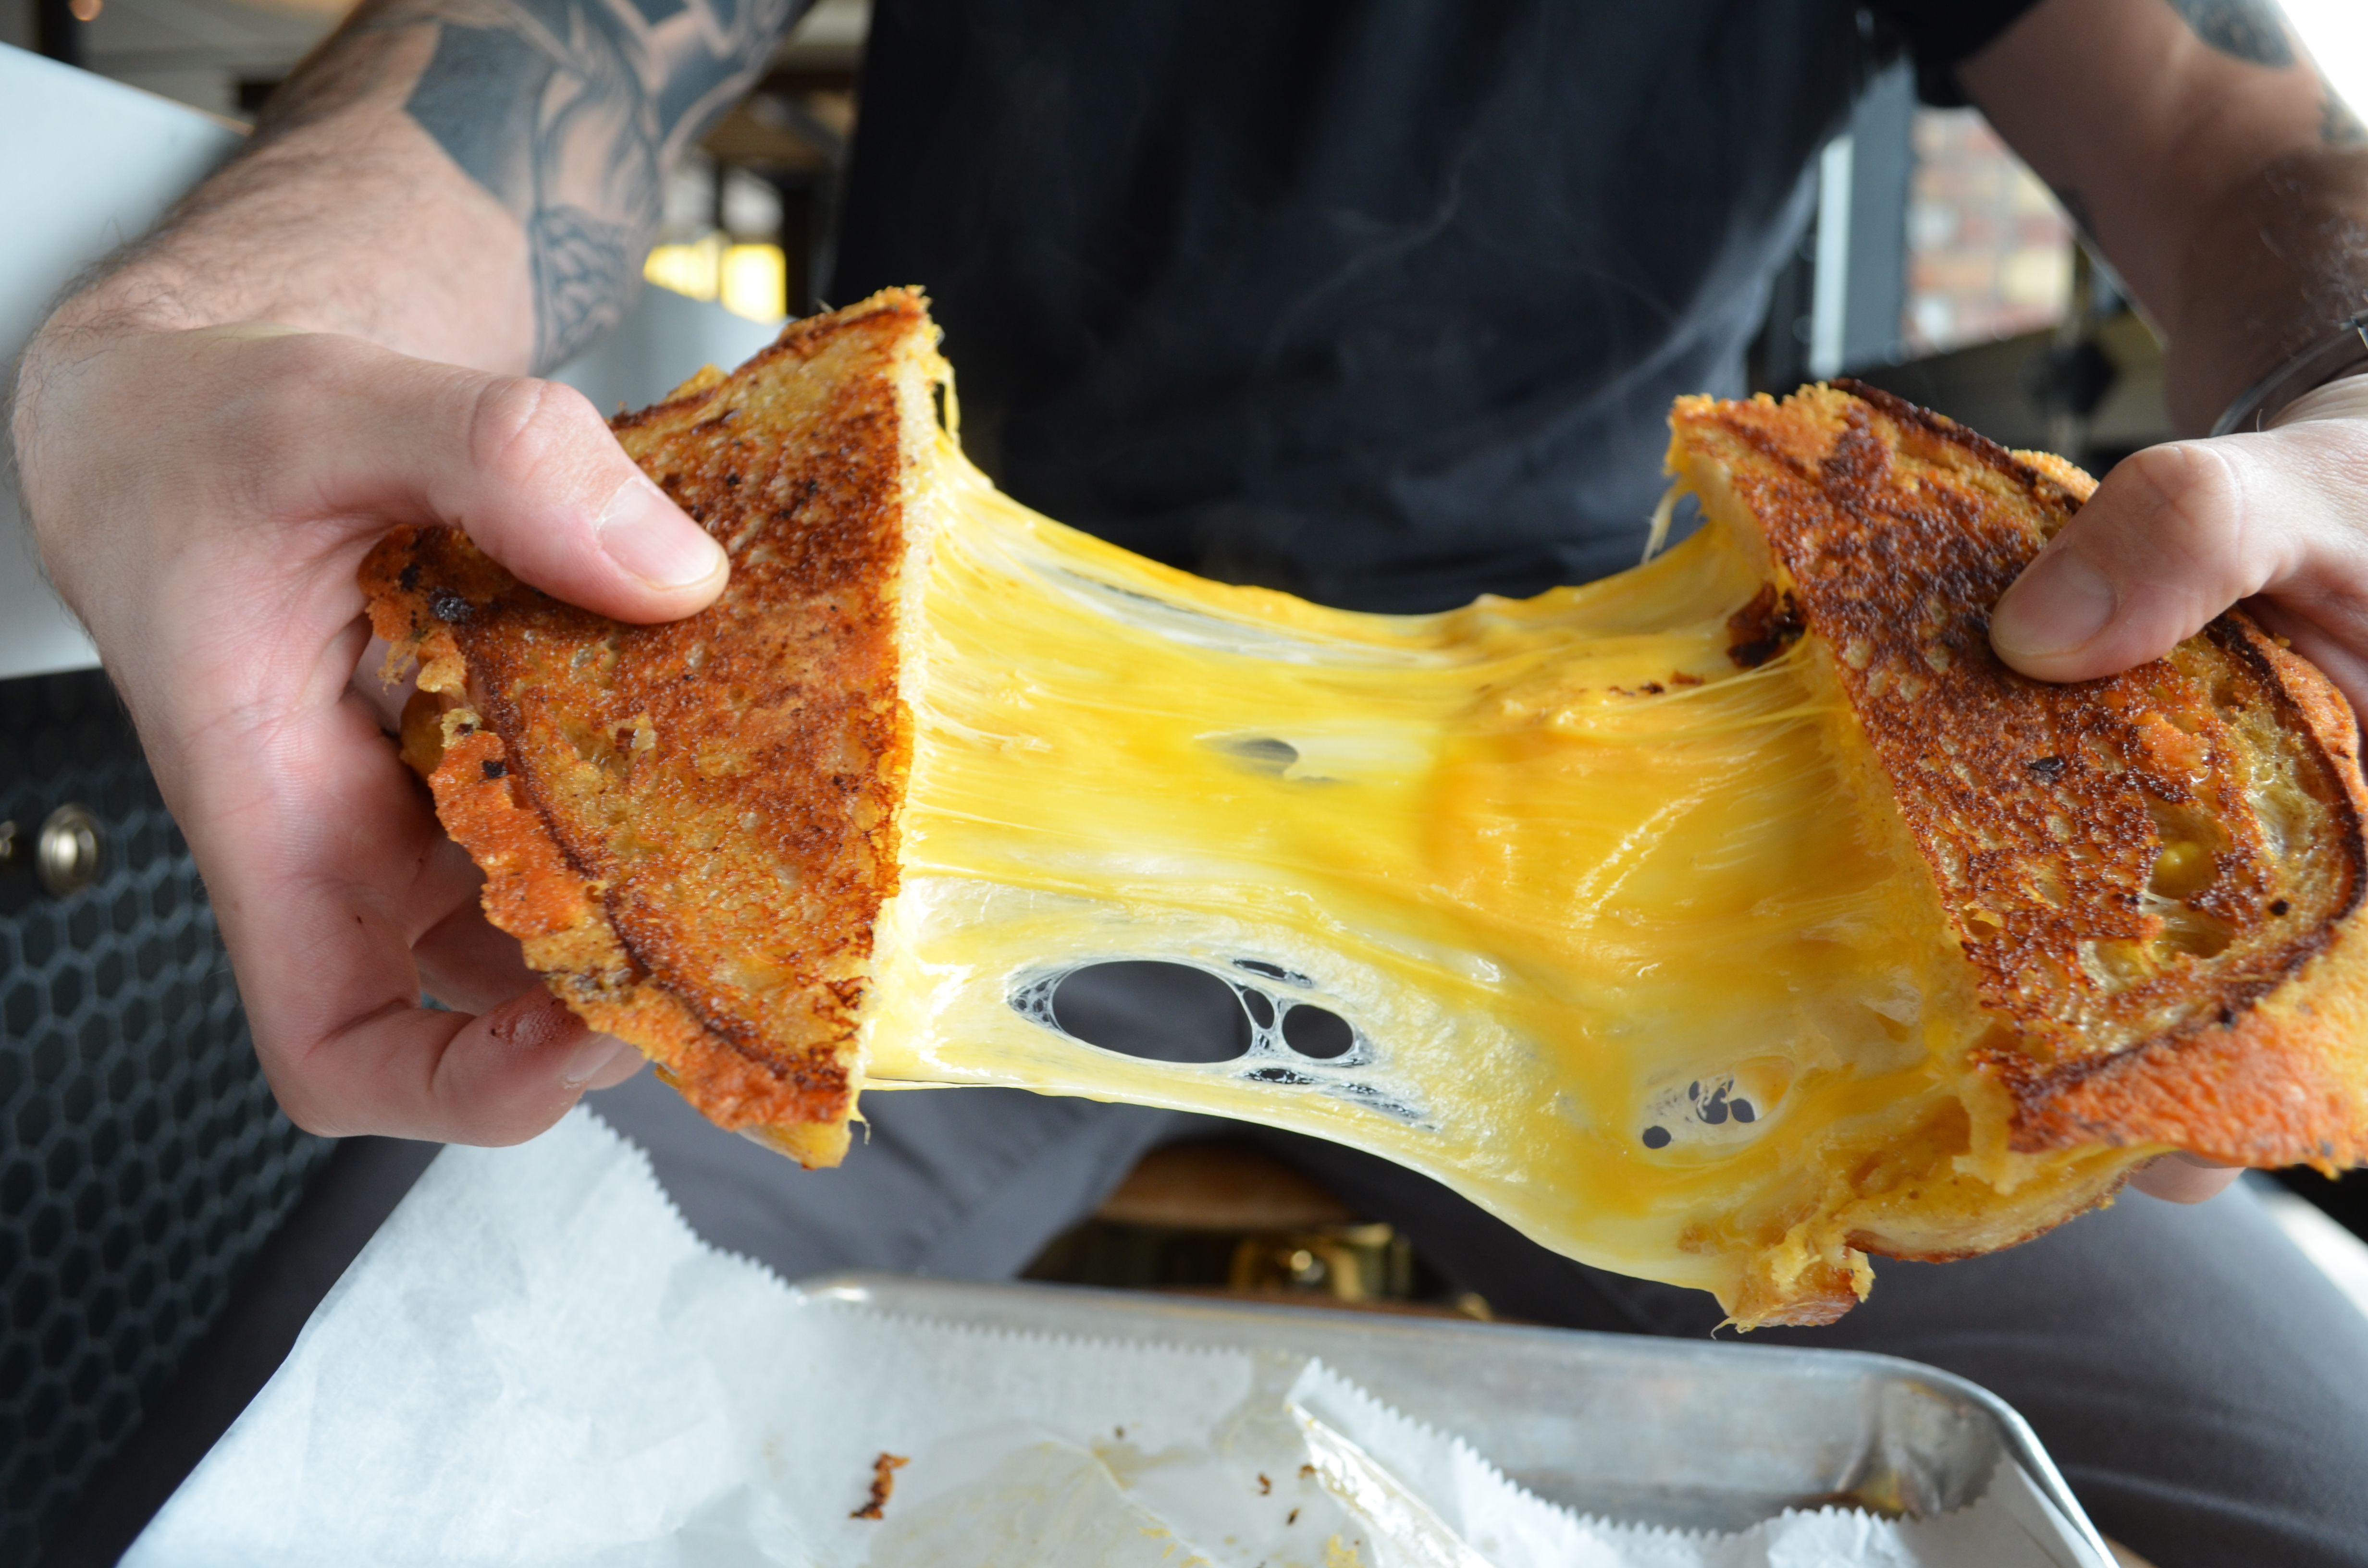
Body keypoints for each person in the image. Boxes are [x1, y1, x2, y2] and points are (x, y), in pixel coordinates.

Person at [13, 0, 2368, 1560]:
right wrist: (188, 340)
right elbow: (534, 57)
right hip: (902, 799)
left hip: (1665, 890)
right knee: (330, 1468)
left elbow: (2218, 123)